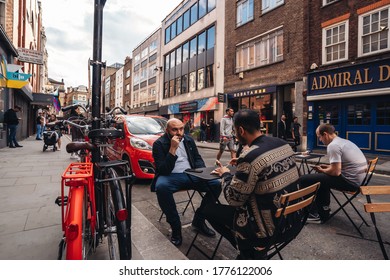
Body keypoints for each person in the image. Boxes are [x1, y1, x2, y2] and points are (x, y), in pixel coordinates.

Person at [204, 109, 301, 259]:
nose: (235, 135)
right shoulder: (283, 144)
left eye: (235, 131)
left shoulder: (250, 156)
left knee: (207, 209)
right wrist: (244, 166)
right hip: (292, 221)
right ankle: (247, 249)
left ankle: (245, 247)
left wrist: (225, 174)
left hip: (266, 230)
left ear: (241, 130)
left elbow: (234, 199)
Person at [151, 118, 222, 246]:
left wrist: (202, 172)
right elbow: (163, 170)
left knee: (216, 184)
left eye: (181, 128)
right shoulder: (159, 144)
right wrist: (173, 149)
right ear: (167, 130)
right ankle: (176, 227)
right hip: (171, 175)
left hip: (192, 173)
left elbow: (197, 158)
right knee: (161, 187)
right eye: (174, 129)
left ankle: (199, 220)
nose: (179, 132)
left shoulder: (188, 140)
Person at [299, 123, 367, 223]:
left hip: (350, 182)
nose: (320, 140)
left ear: (325, 134)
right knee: (322, 179)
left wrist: (322, 170)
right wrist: (327, 168)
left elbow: (335, 172)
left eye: (320, 137)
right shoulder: (344, 142)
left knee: (304, 179)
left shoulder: (333, 146)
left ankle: (313, 214)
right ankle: (324, 210)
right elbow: (341, 167)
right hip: (358, 180)